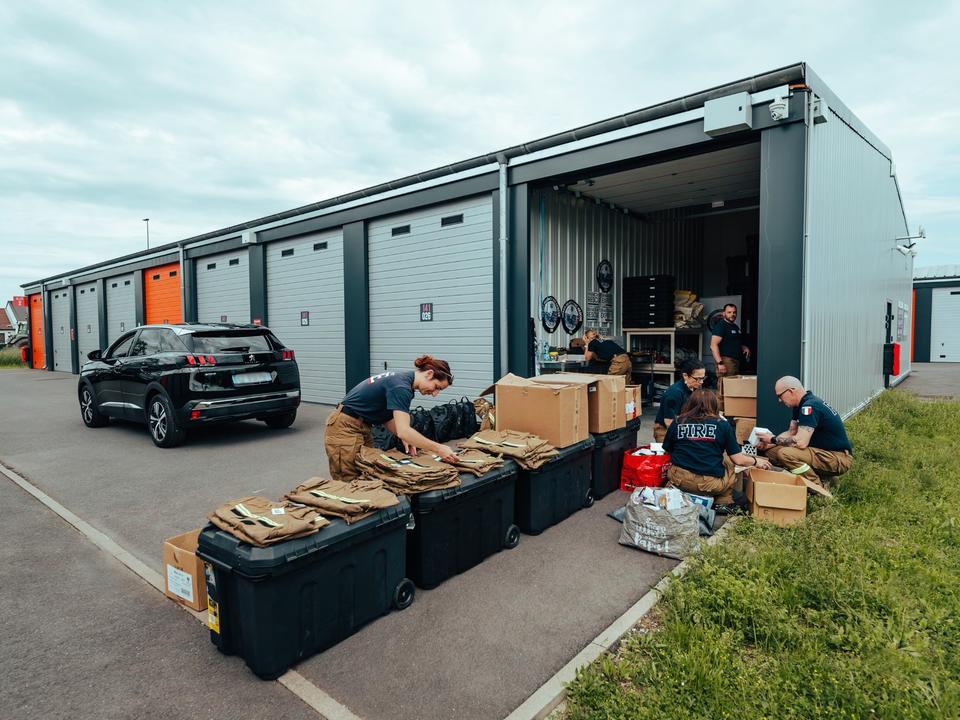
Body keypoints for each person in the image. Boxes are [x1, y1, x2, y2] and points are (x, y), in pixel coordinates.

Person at [324, 355, 459, 482]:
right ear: (429, 374)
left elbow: (386, 417)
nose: (435, 394)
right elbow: (404, 431)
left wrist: (407, 438)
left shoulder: (403, 381)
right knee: (349, 479)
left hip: (361, 425)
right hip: (345, 426)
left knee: (366, 469)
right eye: (436, 387)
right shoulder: (401, 387)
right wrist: (438, 448)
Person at [663, 388, 772, 514]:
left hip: (678, 480)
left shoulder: (677, 422)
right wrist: (755, 461)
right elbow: (738, 460)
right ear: (715, 405)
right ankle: (723, 502)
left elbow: (667, 450)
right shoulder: (722, 425)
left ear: (690, 403)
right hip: (708, 485)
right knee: (729, 460)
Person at [755, 376, 853, 487]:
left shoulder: (809, 407)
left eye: (779, 396)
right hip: (822, 453)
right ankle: (825, 477)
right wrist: (769, 444)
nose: (779, 400)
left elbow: (801, 442)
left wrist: (772, 439)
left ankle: (819, 489)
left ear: (791, 391)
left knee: (785, 454)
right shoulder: (800, 405)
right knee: (772, 452)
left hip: (838, 458)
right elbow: (791, 432)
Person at [653, 359, 706, 442]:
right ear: (685, 375)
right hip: (666, 430)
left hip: (684, 425)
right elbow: (669, 422)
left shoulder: (695, 386)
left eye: (703, 378)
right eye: (698, 379)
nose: (701, 382)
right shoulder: (674, 393)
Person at [710, 303, 751, 376]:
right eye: (729, 312)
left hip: (736, 361)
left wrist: (743, 347)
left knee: (734, 383)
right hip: (726, 361)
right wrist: (720, 363)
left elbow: (733, 340)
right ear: (724, 313)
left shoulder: (735, 326)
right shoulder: (721, 326)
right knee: (726, 383)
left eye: (734, 312)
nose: (732, 314)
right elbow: (713, 345)